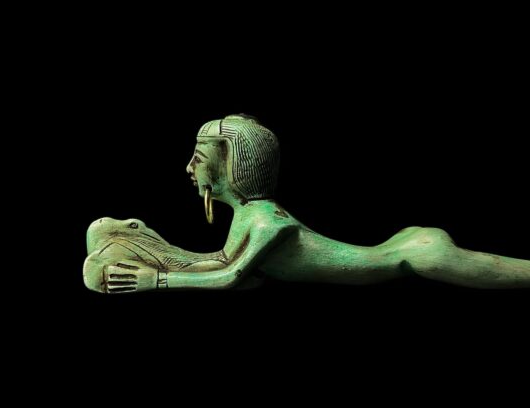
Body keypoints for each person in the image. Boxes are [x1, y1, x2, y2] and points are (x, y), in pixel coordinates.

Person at [84, 114, 530, 293]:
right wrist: (147, 250)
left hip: (416, 255)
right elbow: (229, 268)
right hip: (407, 244)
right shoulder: (247, 217)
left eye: (198, 159)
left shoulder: (267, 221)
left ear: (232, 167)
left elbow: (229, 278)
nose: (189, 168)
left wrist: (157, 280)